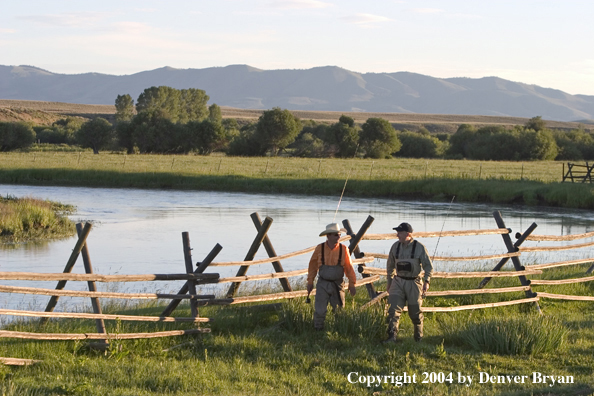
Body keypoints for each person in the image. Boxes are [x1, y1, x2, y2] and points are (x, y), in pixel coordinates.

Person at [384, 222, 433, 343]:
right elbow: (390, 266)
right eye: (397, 232)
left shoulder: (419, 247)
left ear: (408, 234)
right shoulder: (395, 247)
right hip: (398, 281)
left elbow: (428, 267)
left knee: (415, 311)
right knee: (393, 309)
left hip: (414, 282)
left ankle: (418, 337)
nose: (397, 235)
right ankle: (392, 337)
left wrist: (427, 281)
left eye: (400, 233)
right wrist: (389, 282)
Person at [307, 223, 357, 330]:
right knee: (320, 310)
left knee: (339, 310)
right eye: (335, 235)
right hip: (322, 284)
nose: (338, 237)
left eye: (339, 234)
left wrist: (352, 284)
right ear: (328, 236)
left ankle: (339, 330)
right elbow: (312, 266)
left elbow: (349, 268)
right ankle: (318, 330)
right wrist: (310, 282)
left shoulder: (344, 249)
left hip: (338, 284)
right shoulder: (319, 249)